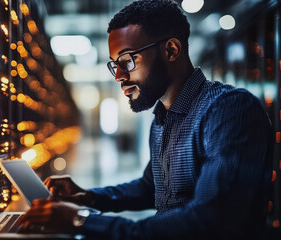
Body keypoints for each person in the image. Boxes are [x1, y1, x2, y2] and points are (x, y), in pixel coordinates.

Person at [19, 0, 273, 239]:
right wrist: (86, 197)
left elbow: (208, 220)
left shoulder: (229, 110)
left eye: (127, 60)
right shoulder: (162, 118)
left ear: (171, 50)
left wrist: (81, 220)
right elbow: (150, 187)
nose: (118, 75)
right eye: (114, 64)